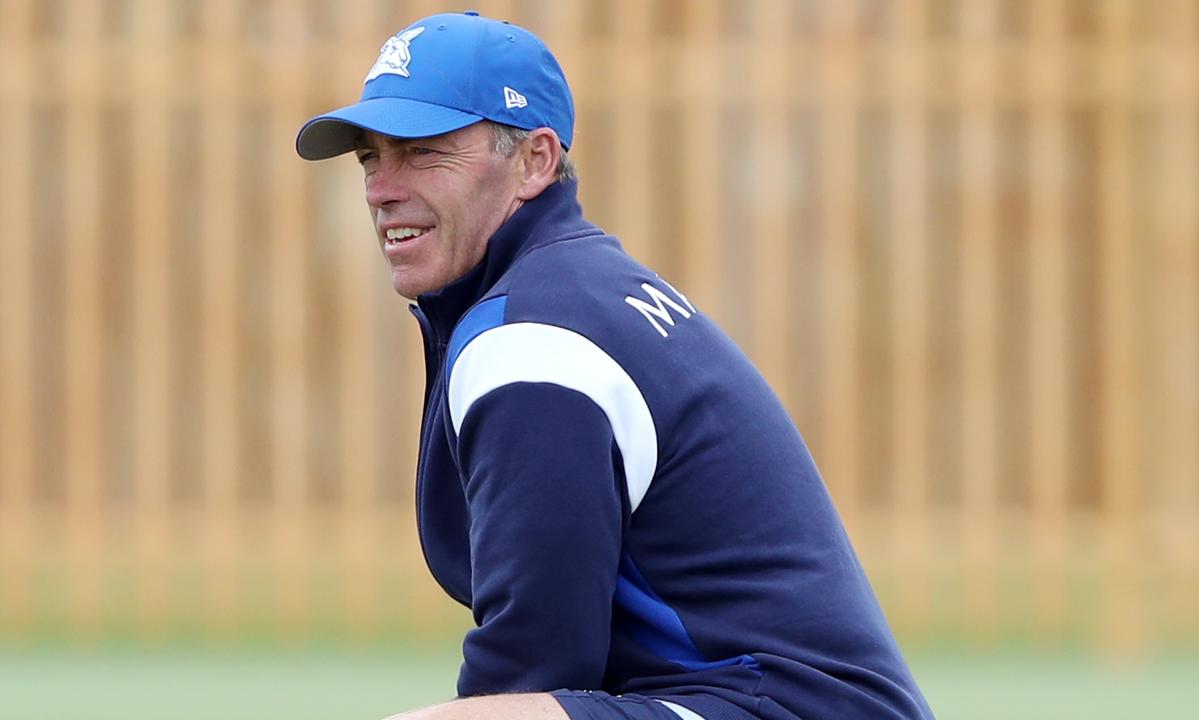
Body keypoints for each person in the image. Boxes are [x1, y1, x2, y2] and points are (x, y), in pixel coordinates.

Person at [296, 11, 933, 720]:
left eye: (422, 151)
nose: (381, 187)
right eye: (370, 158)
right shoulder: (579, 288)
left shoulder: (532, 340)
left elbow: (531, 664)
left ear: (535, 161)